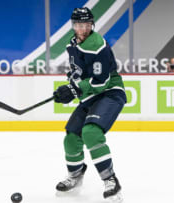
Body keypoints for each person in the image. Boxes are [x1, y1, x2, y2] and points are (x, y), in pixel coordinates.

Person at [53, 7, 126, 203]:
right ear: (73, 26)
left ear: (91, 25)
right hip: (90, 96)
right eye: (78, 25)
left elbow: (101, 81)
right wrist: (68, 89)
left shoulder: (97, 45)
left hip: (110, 93)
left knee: (91, 132)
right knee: (71, 138)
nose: (82, 29)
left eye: (85, 25)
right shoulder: (72, 44)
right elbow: (78, 74)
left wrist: (76, 89)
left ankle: (110, 180)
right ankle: (75, 176)